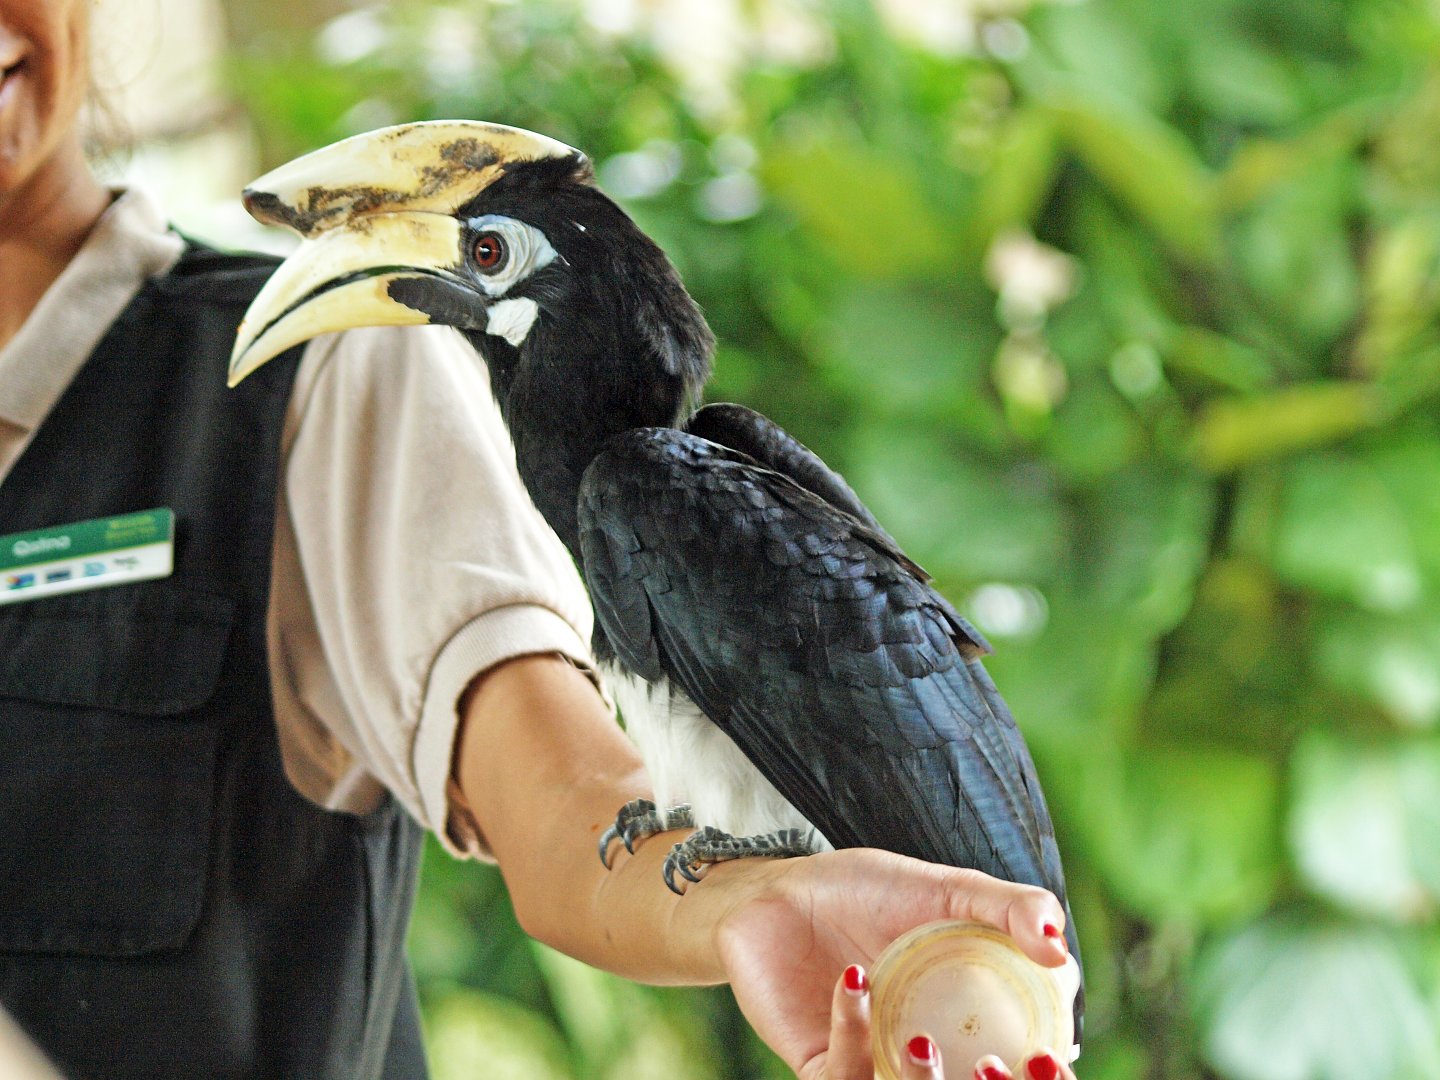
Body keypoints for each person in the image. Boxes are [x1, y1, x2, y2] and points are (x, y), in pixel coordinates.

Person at [0, 3, 1077, 1078]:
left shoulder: (345, 388)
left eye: (485, 255)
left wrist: (767, 895)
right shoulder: (618, 480)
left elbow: (554, 794)